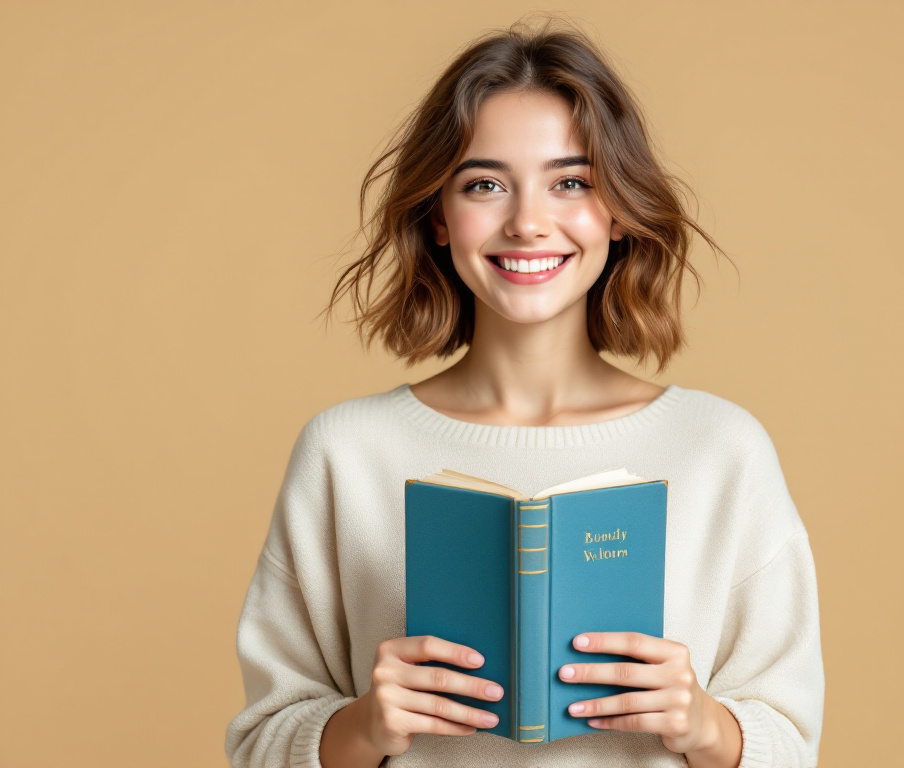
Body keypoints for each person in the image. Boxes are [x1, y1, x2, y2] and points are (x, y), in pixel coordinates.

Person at [225, 17, 824, 768]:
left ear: (616, 210)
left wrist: (703, 722)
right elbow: (260, 745)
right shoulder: (345, 452)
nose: (528, 223)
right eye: (485, 185)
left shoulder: (721, 449)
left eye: (570, 182)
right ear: (440, 217)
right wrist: (365, 725)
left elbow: (793, 743)